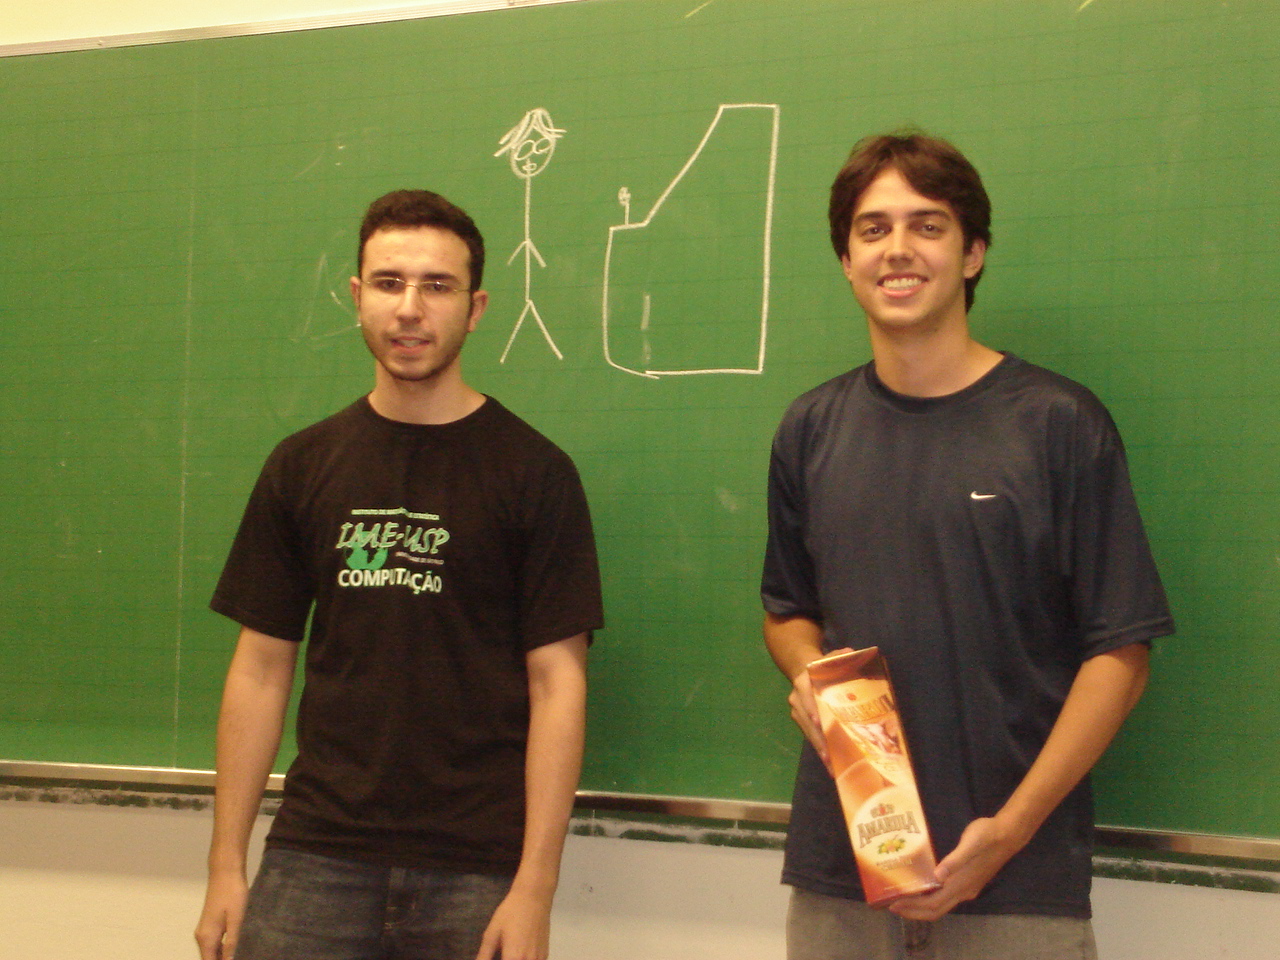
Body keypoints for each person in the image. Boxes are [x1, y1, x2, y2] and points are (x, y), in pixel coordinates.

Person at [761, 133, 1173, 959]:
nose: (898, 249)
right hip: (846, 872)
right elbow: (787, 611)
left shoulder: (1059, 423)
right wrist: (807, 672)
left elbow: (1120, 653)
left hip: (1019, 881)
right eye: (873, 229)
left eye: (928, 225)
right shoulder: (810, 429)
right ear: (846, 260)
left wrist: (1009, 832)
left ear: (973, 253)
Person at [194, 189, 603, 960]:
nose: (409, 308)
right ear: (357, 296)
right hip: (315, 855)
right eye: (389, 283)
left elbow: (558, 686)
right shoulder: (300, 466)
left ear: (475, 308)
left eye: (437, 286)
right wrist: (225, 866)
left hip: (476, 868)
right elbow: (259, 670)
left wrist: (535, 888)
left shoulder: (535, 474)